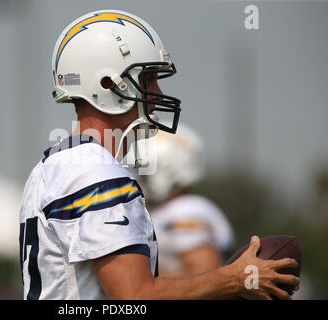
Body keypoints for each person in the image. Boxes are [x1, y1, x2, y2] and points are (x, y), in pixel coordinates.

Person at [19, 9, 299, 300]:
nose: (157, 92)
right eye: (148, 78)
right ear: (107, 84)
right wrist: (234, 279)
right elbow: (135, 297)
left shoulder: (50, 165)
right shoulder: (96, 171)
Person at [140, 125, 235, 278]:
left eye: (146, 169)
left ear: (169, 169)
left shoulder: (185, 210)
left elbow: (204, 275)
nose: (141, 177)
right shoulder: (172, 210)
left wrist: (136, 280)